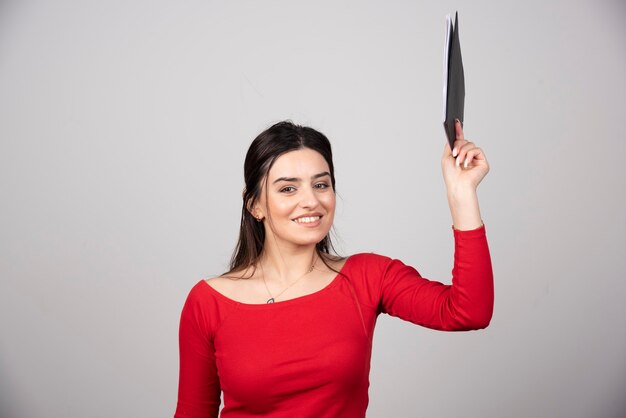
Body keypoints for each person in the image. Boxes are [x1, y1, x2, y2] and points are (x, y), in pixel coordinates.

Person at [174, 120, 493, 418]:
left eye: (321, 184)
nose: (311, 201)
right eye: (288, 188)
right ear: (255, 205)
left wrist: (462, 194)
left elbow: (468, 311)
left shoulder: (368, 277)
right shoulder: (207, 302)